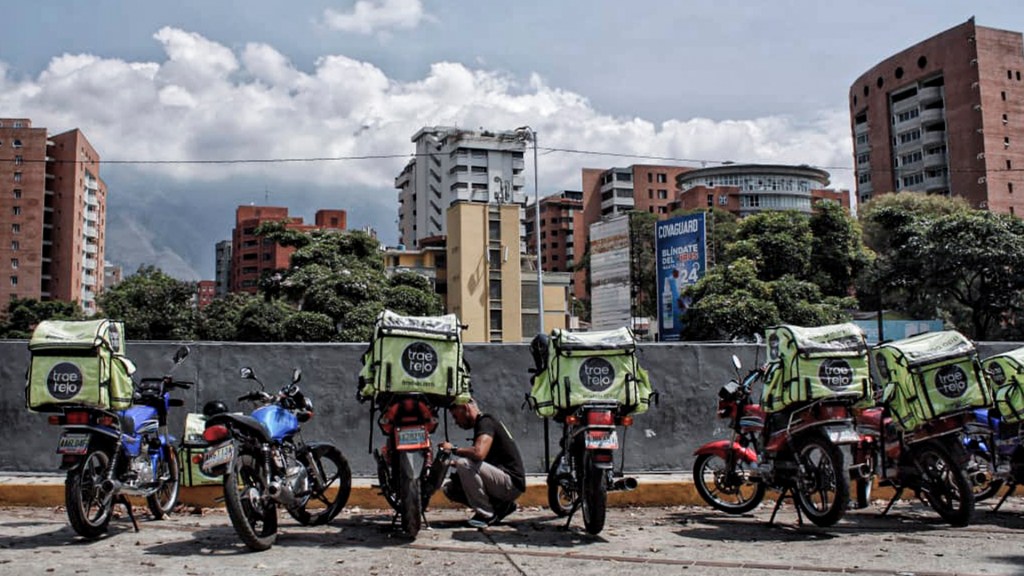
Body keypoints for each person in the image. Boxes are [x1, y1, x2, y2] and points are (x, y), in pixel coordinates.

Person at [440, 399, 525, 528]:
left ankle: (486, 515)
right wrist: (452, 463)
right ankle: (502, 506)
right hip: (501, 481)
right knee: (450, 489)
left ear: (465, 407)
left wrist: (453, 449)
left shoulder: (486, 422)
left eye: (456, 416)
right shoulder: (482, 424)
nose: (456, 422)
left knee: (464, 464)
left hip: (511, 483)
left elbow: (479, 453)